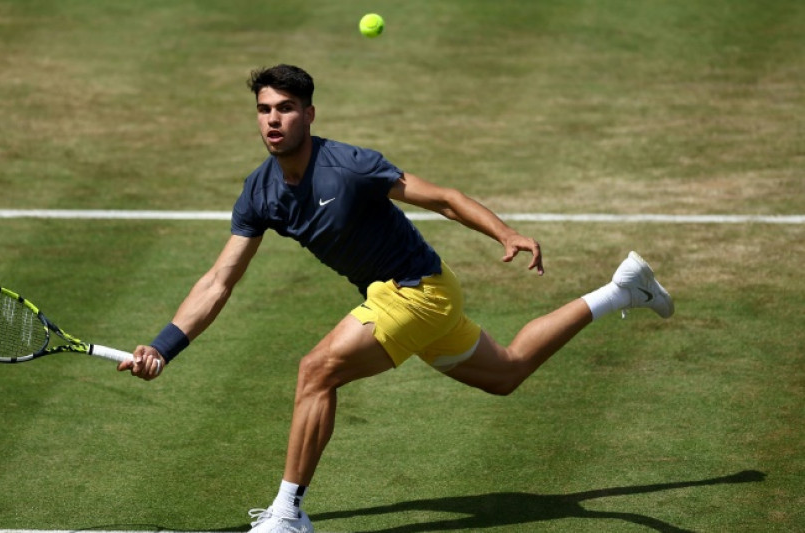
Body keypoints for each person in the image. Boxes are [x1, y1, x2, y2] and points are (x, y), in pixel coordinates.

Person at [118, 64, 674, 533]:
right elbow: (219, 280)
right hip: (414, 296)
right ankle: (622, 288)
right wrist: (165, 347)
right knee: (507, 372)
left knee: (316, 371)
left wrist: (505, 233)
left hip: (416, 290)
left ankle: (287, 513)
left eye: (285, 108)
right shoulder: (259, 191)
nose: (272, 119)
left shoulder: (349, 166)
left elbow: (446, 199)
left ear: (309, 115)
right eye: (264, 109)